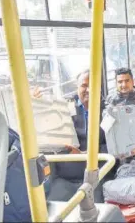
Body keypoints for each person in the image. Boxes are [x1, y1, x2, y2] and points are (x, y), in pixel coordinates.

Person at [47, 69, 108, 203]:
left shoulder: (108, 111)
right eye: (84, 85)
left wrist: (87, 153)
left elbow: (113, 147)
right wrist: (37, 101)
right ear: (77, 87)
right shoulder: (64, 109)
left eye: (92, 85)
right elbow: (49, 134)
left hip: (96, 175)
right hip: (65, 175)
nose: (88, 89)